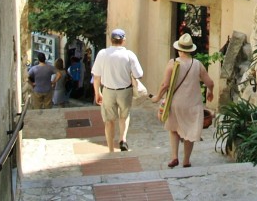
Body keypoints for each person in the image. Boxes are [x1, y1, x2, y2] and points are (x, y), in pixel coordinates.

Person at [152, 33, 214, 168]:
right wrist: (210, 91)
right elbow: (210, 82)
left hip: (175, 104)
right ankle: (186, 160)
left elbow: (165, 85)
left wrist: (157, 97)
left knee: (173, 129)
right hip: (193, 104)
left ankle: (174, 157)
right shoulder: (197, 64)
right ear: (191, 49)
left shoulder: (173, 63)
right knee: (189, 132)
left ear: (179, 49)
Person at [91, 28, 144, 153]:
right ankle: (123, 139)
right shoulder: (129, 55)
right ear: (123, 40)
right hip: (125, 91)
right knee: (124, 116)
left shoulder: (102, 54)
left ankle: (110, 149)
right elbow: (139, 74)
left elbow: (96, 76)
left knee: (109, 121)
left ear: (111, 40)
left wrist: (97, 92)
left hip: (108, 90)